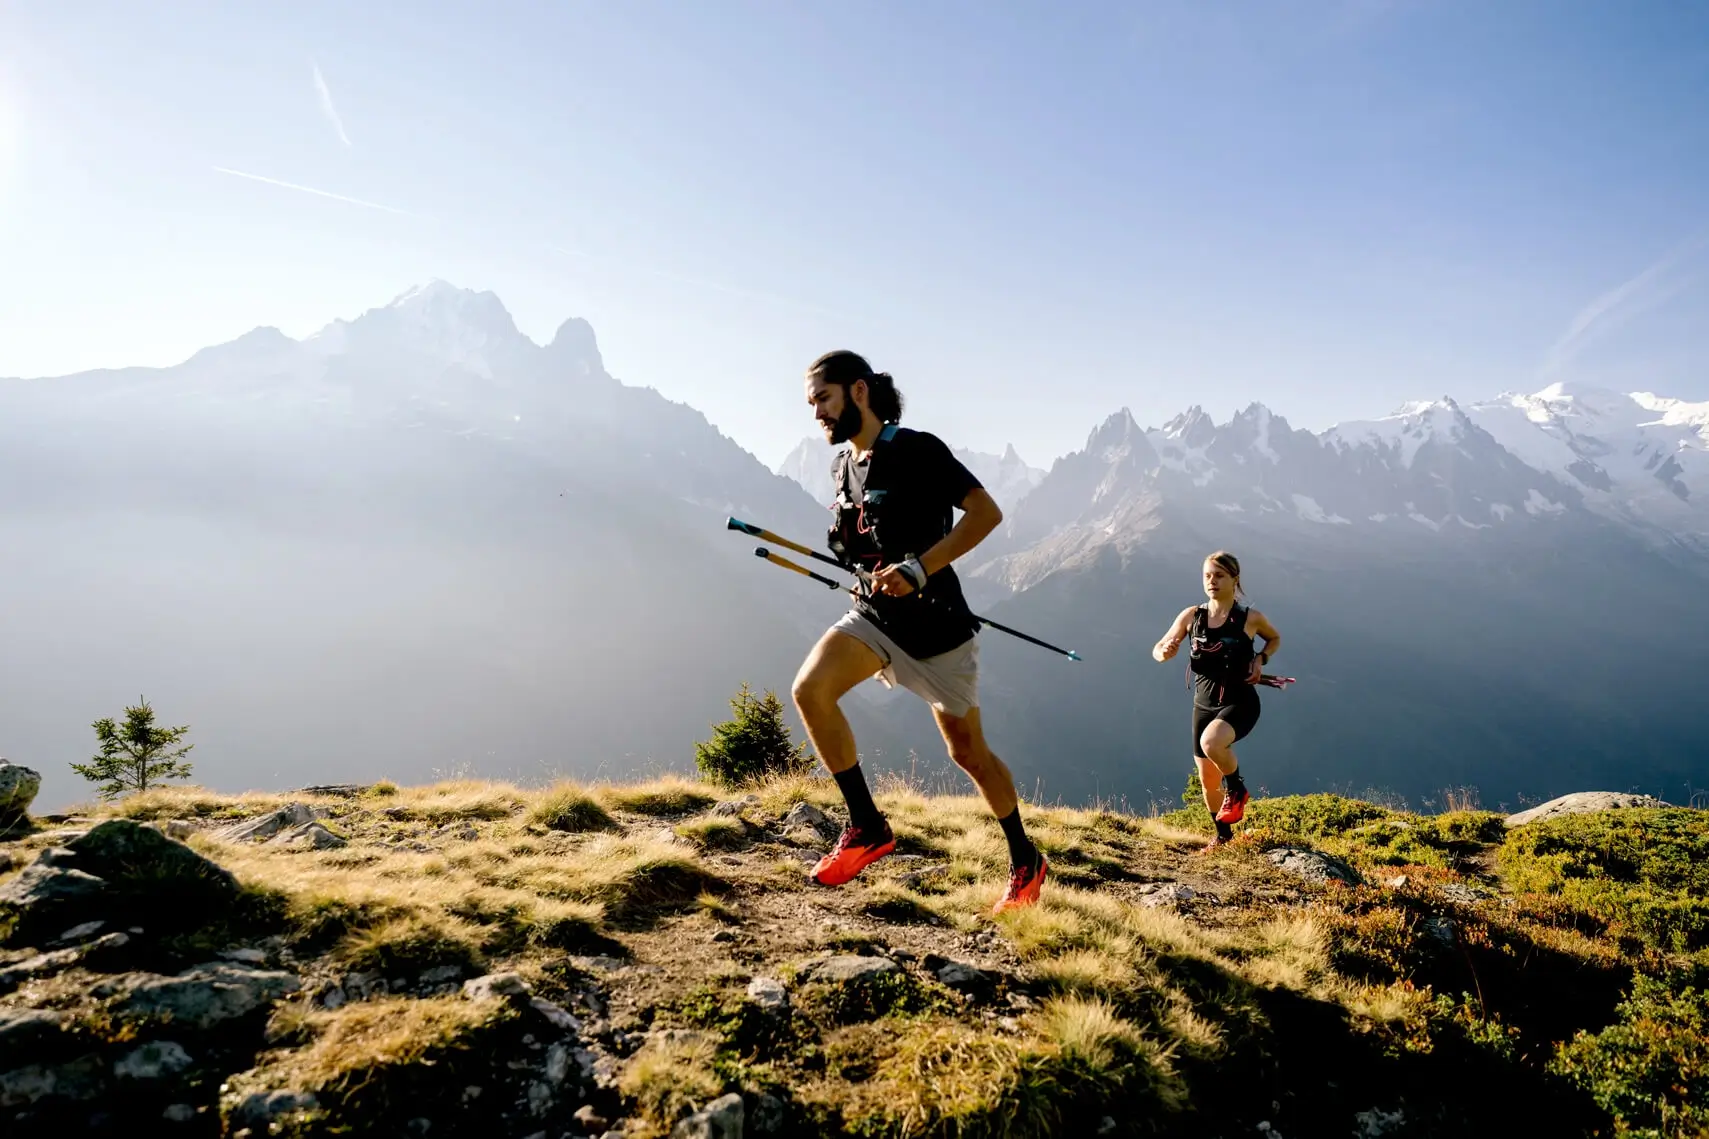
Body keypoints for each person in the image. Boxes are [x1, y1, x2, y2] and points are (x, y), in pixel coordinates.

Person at [789, 350, 1048, 913]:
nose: (816, 415)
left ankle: (1026, 858)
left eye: (823, 400)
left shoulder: (918, 450)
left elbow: (986, 513)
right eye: (811, 404)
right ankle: (867, 827)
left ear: (858, 392)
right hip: (873, 617)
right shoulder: (843, 467)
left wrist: (919, 567)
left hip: (937, 631)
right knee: (810, 691)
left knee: (968, 753)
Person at [1151, 551, 1282, 849]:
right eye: (1208, 575)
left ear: (1235, 579)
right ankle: (1223, 837)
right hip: (1203, 703)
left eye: (1219, 575)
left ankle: (1237, 788)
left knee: (1212, 744)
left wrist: (1261, 657)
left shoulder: (1250, 618)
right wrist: (1165, 653)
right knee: (1207, 779)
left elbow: (1274, 639)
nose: (1212, 581)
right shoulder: (1191, 616)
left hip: (1240, 700)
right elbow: (1159, 647)